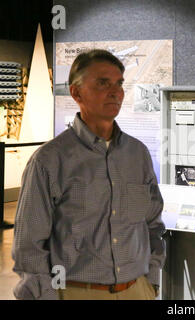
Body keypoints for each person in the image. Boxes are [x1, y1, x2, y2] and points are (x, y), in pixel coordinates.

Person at [12, 49, 165, 300]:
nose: (115, 91)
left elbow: (153, 225)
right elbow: (29, 246)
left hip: (137, 291)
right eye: (103, 83)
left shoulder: (138, 154)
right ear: (76, 92)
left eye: (119, 83)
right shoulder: (49, 161)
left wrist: (151, 283)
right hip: (76, 292)